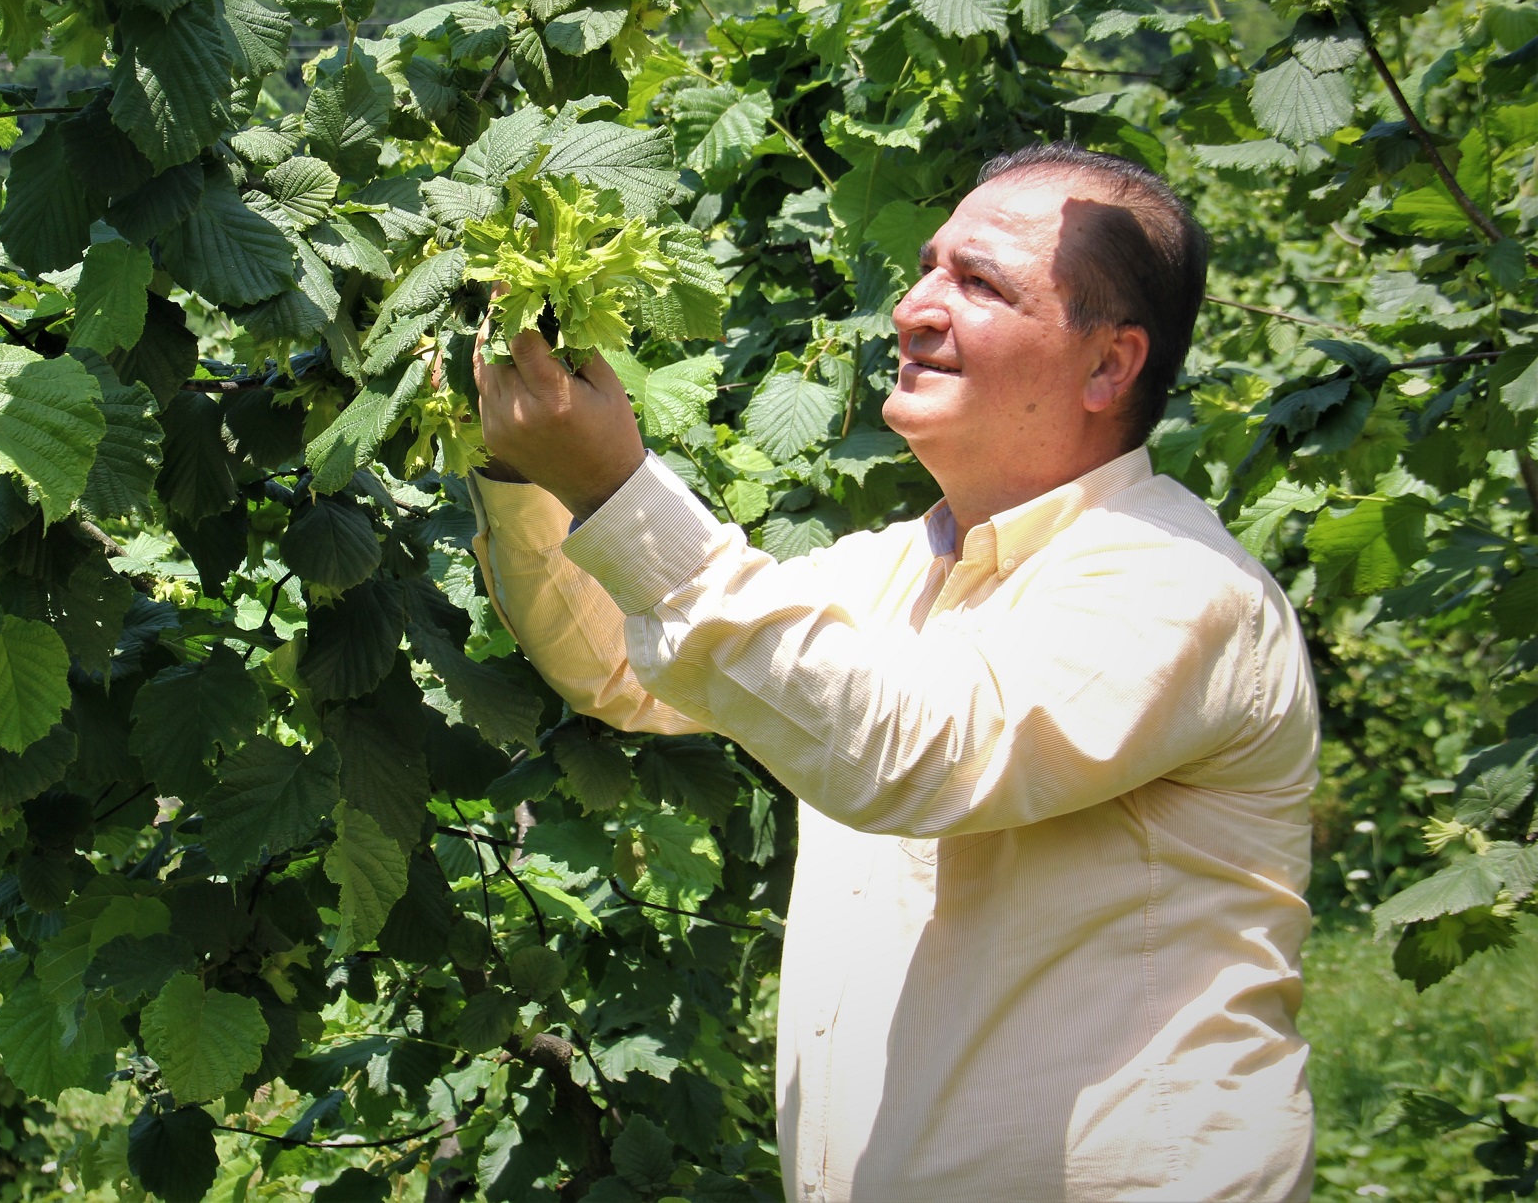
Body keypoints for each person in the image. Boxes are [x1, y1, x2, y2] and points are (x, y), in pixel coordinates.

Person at [465, 142, 1318, 1202]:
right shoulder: (891, 571)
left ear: (1108, 366)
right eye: (925, 269)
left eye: (979, 284)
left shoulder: (1175, 584)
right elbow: (623, 670)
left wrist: (619, 486)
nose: (913, 308)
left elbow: (918, 753)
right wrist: (527, 468)